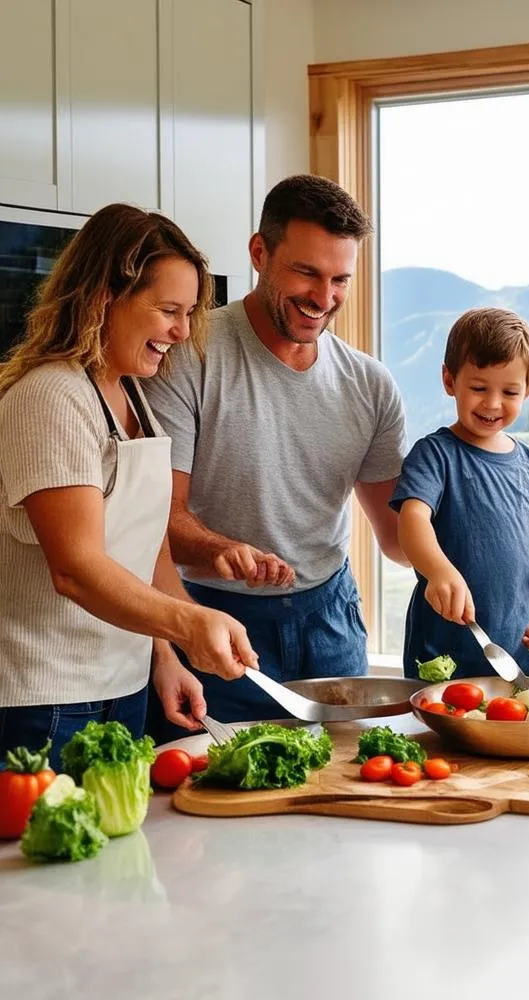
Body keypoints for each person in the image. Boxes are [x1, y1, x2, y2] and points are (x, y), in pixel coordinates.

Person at [142, 175, 408, 734]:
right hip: (210, 618)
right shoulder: (188, 355)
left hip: (331, 620)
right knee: (211, 796)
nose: (324, 297)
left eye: (340, 279)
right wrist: (221, 548)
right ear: (259, 252)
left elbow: (398, 538)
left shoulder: (371, 385)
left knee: (341, 796)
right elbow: (157, 518)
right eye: (306, 272)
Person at [0, 203, 257, 767]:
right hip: (46, 701)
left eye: (189, 312)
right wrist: (191, 622)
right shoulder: (51, 398)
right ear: (104, 297)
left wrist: (163, 656)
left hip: (122, 686)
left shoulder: (132, 393)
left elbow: (145, 547)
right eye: (168, 309)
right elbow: (76, 568)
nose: (182, 331)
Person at [391, 307, 529, 681]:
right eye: (478, 388)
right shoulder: (435, 454)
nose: (492, 403)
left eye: (509, 392)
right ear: (449, 380)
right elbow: (412, 519)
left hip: (513, 658)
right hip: (439, 659)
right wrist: (439, 571)